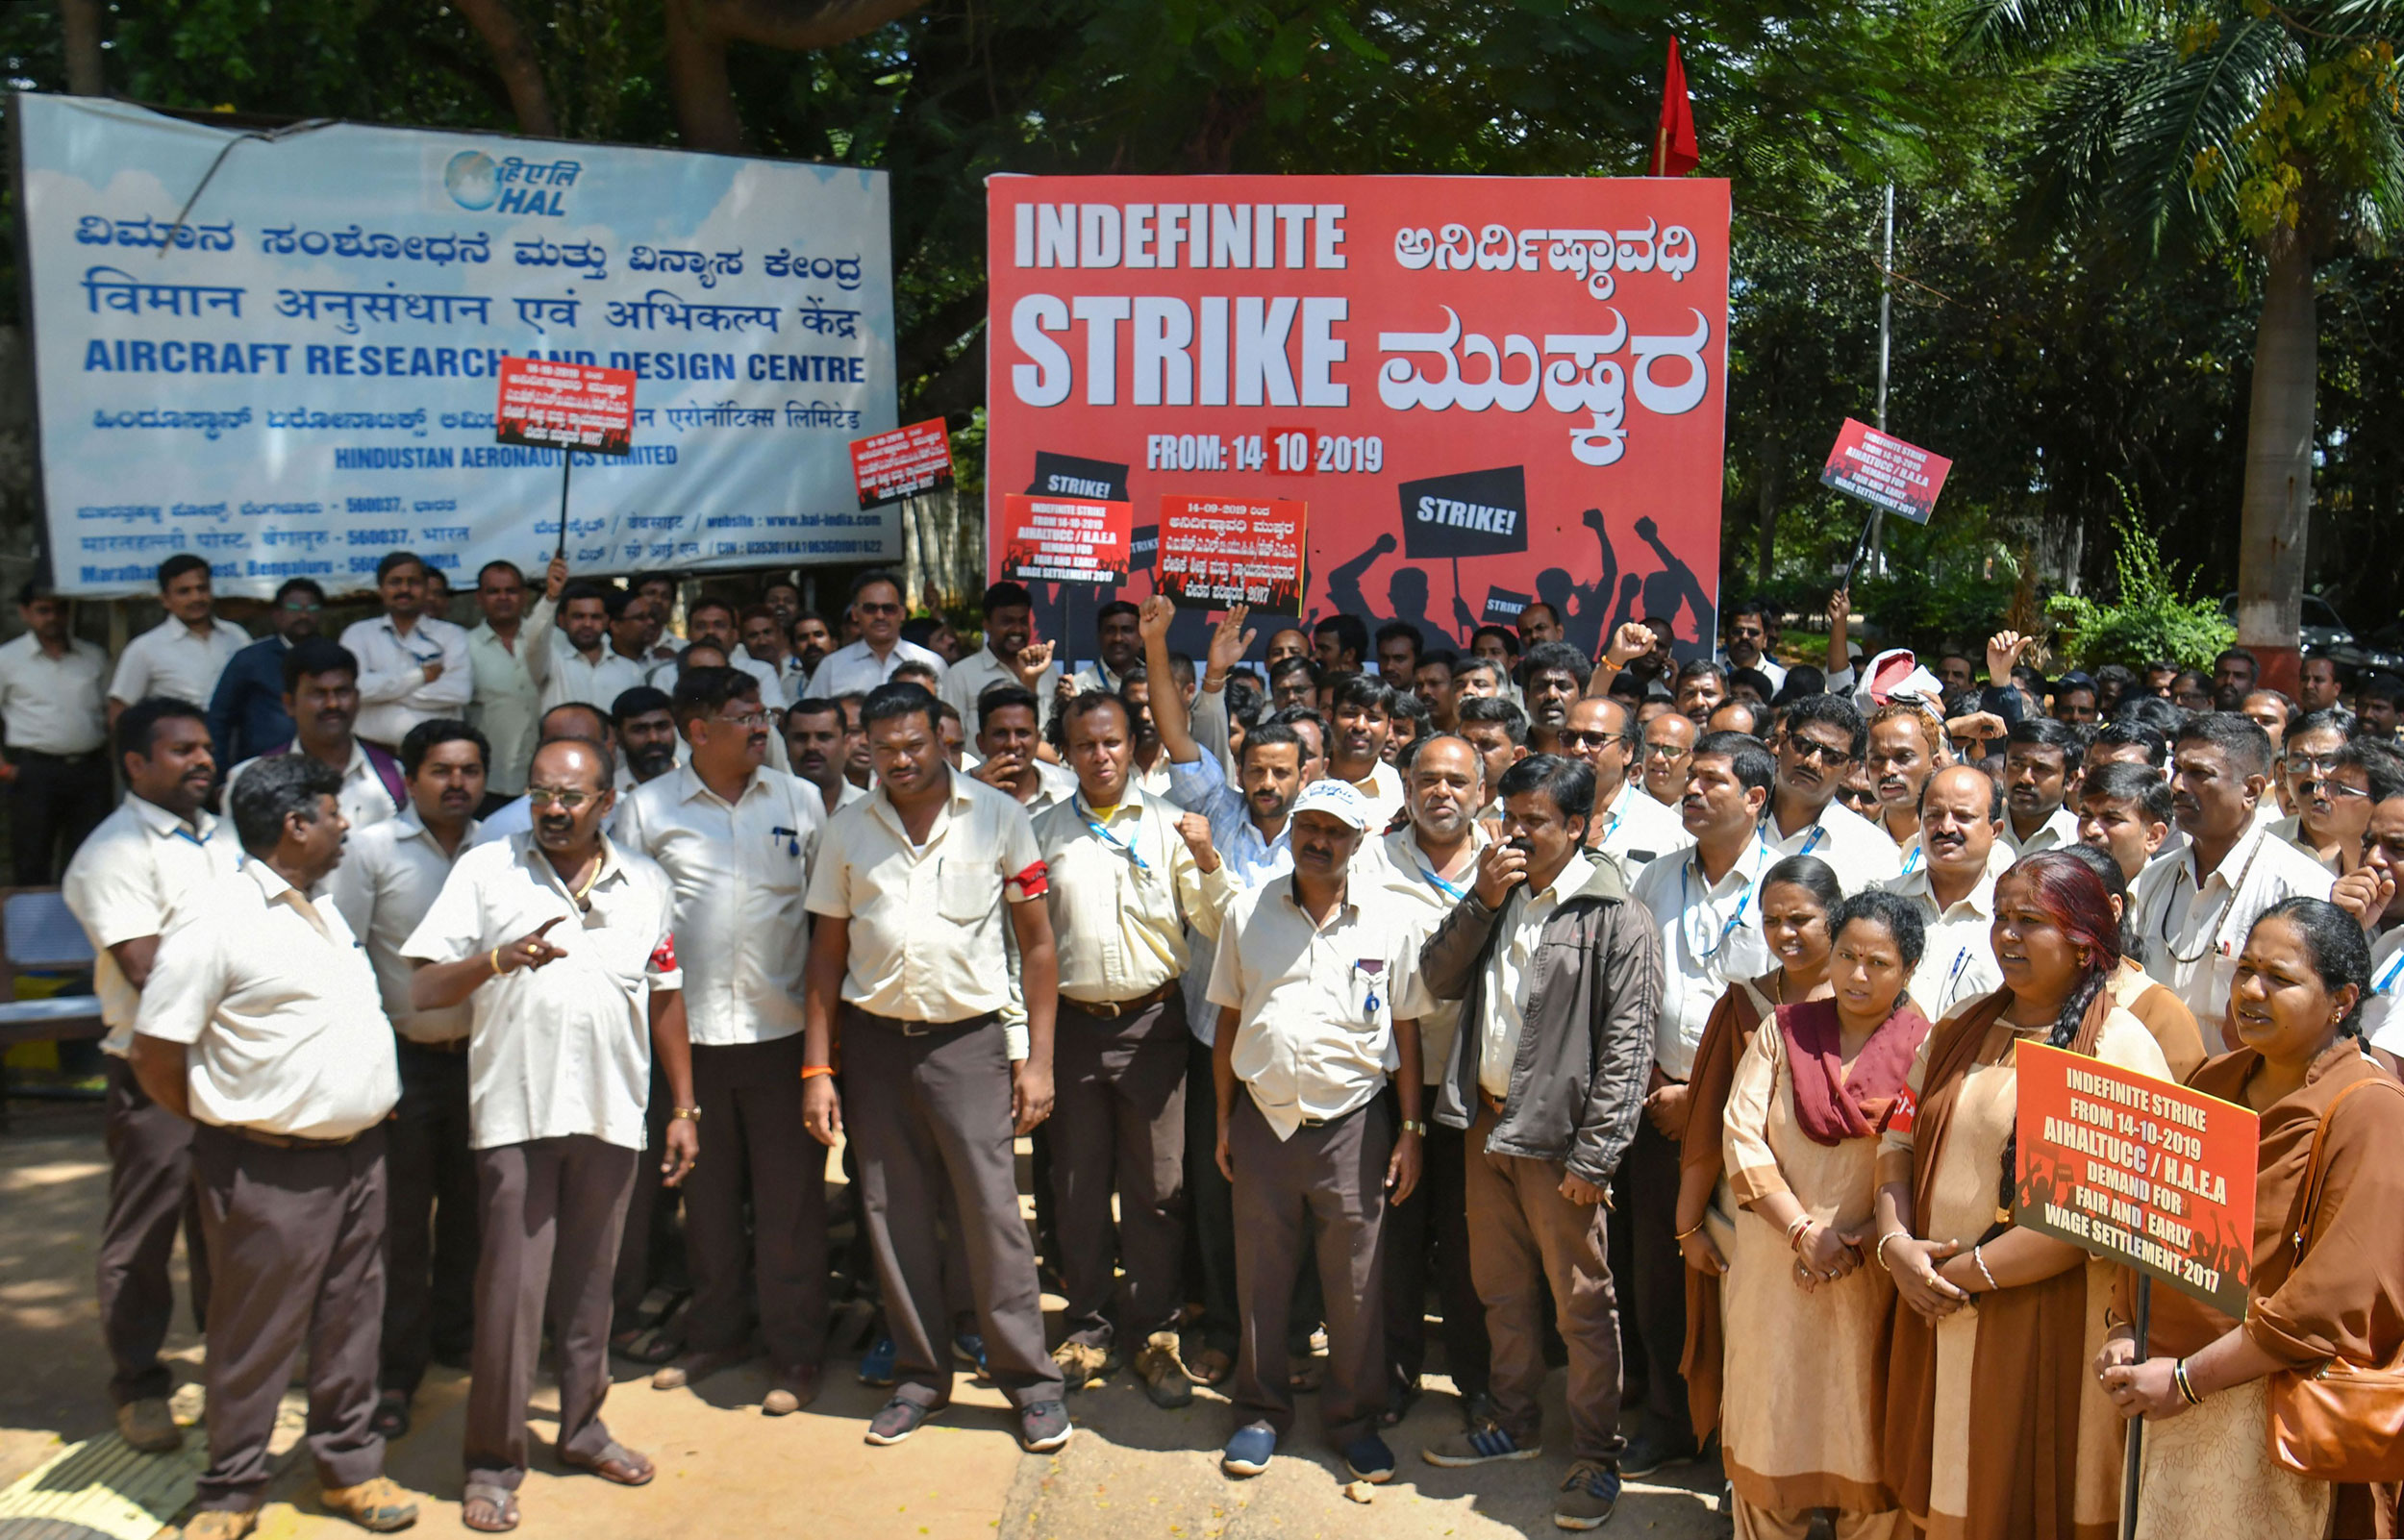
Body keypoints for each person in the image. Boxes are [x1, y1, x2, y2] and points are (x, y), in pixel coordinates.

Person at [402, 736, 697, 1533]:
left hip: (611, 1115)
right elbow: (425, 985)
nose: (554, 809)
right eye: (540, 793)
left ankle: (582, 1428)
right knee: (509, 1298)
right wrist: (496, 959)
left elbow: (666, 996)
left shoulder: (647, 883)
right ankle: (493, 1463)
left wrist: (682, 1108)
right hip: (516, 1117)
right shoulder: (486, 871)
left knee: (592, 1292)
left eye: (572, 797)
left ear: (607, 803)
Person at [131, 754, 417, 1540]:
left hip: (359, 1158)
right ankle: (232, 1488)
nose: (346, 826)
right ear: (295, 825)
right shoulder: (217, 916)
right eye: (334, 813)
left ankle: (349, 1468)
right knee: (256, 1333)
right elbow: (156, 1052)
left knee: (352, 1321)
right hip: (269, 1168)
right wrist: (230, 1123)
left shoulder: (319, 908)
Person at [798, 682, 1070, 1452]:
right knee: (891, 1215)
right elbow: (825, 958)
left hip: (969, 1046)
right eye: (884, 750)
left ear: (944, 740)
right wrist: (818, 1071)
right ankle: (921, 1377)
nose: (901, 761)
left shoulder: (999, 819)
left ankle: (1031, 1385)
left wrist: (1037, 1060)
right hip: (877, 1046)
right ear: (866, 750)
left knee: (991, 1219)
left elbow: (1039, 946)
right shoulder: (848, 831)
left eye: (915, 745)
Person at [1876, 852, 2174, 1540]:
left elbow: (2102, 1213)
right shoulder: (1959, 1026)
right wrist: (1896, 1245)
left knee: (2026, 1495)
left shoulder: (2119, 1047)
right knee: (1946, 1490)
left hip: (2049, 1318)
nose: (2006, 935)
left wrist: (1965, 1275)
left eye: (2030, 921)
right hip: (1937, 1304)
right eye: (2001, 917)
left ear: (2084, 942)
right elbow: (1896, 1142)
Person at [2097, 899, 2404, 1539]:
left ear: (2343, 1001)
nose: (2251, 992)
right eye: (2245, 971)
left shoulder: (2369, 1110)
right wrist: (2128, 1324)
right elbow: (2153, 1226)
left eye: (2281, 979)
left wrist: (2188, 1379)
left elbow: (2330, 1303)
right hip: (2165, 1399)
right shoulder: (2214, 1081)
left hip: (2272, 1414)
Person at [1415, 756, 1661, 1530]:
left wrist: (1596, 1158)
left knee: (1583, 1305)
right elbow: (1437, 975)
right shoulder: (1499, 893)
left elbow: (1627, 1048)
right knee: (1502, 1290)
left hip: (1560, 1146)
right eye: (1510, 816)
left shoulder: (1615, 915)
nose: (1514, 834)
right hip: (1487, 1126)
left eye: (1536, 822)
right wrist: (1480, 902)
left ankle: (1596, 1455)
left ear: (1579, 826)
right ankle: (1513, 1423)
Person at [616, 667, 830, 1415]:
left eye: (762, 713)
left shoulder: (801, 801)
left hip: (783, 1039)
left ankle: (796, 1351)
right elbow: (629, 930)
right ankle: (717, 1333)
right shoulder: (646, 812)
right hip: (690, 1045)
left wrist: (821, 1057)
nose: (761, 727)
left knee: (791, 1207)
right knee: (704, 1201)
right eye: (745, 717)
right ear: (697, 731)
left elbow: (824, 920)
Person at [1205, 778, 1428, 1486]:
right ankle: (1259, 1412)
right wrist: (1222, 1119)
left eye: (1336, 830)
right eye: (1310, 826)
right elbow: (1228, 1021)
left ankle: (1353, 1421)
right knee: (1260, 1280)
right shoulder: (1248, 910)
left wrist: (1412, 1129)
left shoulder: (1389, 921)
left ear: (1360, 842)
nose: (1319, 841)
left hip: (1353, 1126)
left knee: (1355, 1285)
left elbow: (1408, 1031)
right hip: (1263, 1121)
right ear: (1293, 829)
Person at [1033, 687, 1230, 1403]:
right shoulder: (1042, 831)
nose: (1100, 755)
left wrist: (1208, 862)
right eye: (1084, 744)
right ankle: (1086, 1329)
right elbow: (1024, 942)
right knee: (1079, 1187)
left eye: (1112, 741)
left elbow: (1213, 923)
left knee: (1157, 1189)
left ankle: (1155, 1331)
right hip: (1075, 1028)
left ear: (1132, 743)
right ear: (1067, 750)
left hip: (1153, 1026)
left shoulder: (1173, 825)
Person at [61, 697, 242, 1453]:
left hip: (229, 1063)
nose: (203, 760)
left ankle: (233, 1367)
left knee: (227, 1226)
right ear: (136, 764)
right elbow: (146, 971)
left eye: (206, 748)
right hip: (155, 1067)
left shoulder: (226, 835)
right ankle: (138, 1385)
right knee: (144, 1232)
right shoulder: (112, 853)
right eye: (182, 751)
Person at [1720, 891, 1930, 1539]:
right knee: (1770, 1433)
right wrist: (1803, 1232)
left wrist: (1865, 1239)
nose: (1858, 976)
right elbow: (1740, 1135)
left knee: (1865, 1440)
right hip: (1774, 1271)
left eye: (1879, 962)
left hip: (1871, 1277)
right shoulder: (1784, 1033)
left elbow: (1927, 1160)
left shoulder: (1928, 1048)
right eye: (1846, 956)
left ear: (1909, 971)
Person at [326, 718, 487, 1443]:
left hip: (485, 1062)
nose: (458, 784)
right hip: (404, 1063)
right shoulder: (369, 851)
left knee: (469, 1213)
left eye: (470, 771)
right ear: (411, 779)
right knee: (398, 1228)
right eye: (442, 771)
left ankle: (457, 1337)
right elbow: (342, 957)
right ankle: (395, 1374)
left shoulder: (502, 850)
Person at [1622, 731, 1779, 1475]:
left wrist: (1708, 1100)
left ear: (1755, 798)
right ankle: (1665, 1416)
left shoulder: (1789, 883)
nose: (1692, 791)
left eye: (1713, 781)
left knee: (1742, 1279)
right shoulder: (1655, 879)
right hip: (1659, 1110)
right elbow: (1637, 993)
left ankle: (1735, 1436)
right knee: (1656, 1272)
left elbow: (1793, 1015)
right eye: (1691, 779)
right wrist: (1662, 1090)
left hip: (1752, 1123)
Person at [1670, 856, 1841, 1453]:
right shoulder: (1744, 1002)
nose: (1785, 934)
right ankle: (1747, 1484)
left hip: (1838, 1223)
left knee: (1827, 1363)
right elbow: (1706, 1128)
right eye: (1771, 921)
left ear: (1835, 917)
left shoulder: (1870, 1003)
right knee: (1750, 1351)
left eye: (1801, 919)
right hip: (1744, 1221)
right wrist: (1689, 1225)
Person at [1363, 735, 1494, 1429]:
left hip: (1477, 1088)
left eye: (1456, 781)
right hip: (1392, 1083)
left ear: (1481, 792)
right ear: (1407, 790)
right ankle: (1393, 1373)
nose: (1441, 792)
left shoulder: (1507, 862)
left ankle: (1476, 1381)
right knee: (1396, 1238)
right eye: (1427, 781)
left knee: (1472, 1242)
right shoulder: (1371, 860)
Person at [2133, 714, 2335, 1046]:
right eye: (2178, 770)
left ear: (2252, 790)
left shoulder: (2300, 889)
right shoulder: (2152, 879)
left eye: (2200, 774)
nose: (2178, 786)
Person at [221, 638, 404, 841]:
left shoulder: (394, 776)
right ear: (289, 704)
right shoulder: (250, 781)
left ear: (357, 698)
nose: (332, 704)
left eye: (342, 692)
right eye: (318, 693)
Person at [1875, 764, 2010, 1023]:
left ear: (1995, 830)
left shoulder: (2009, 920)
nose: (1946, 827)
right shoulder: (1883, 902)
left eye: (1963, 816)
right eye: (1934, 815)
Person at [0, 579, 112, 882]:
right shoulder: (7, 660)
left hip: (89, 772)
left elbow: (110, 712)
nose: (52, 618)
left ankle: (76, 929)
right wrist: (5, 769)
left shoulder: (92, 656)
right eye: (43, 610)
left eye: (60, 610)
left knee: (88, 859)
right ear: (25, 613)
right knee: (32, 858)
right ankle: (31, 928)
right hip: (34, 773)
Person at [1761, 695, 1901, 893]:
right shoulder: (1734, 816)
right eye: (1803, 745)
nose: (1812, 761)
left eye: (1832, 757)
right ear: (1782, 743)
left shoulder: (1872, 850)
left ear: (1850, 769)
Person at [342, 552, 472, 750]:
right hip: (373, 753)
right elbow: (355, 689)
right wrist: (419, 677)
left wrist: (383, 692)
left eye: (413, 582)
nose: (404, 589)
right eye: (395, 582)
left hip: (436, 751)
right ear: (381, 589)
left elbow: (458, 692)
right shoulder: (358, 634)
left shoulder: (452, 635)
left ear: (426, 589)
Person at [465, 559, 564, 808]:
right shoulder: (463, 647)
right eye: (493, 591)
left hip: (550, 778)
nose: (503, 598)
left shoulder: (555, 641)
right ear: (479, 598)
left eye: (511, 591)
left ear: (523, 596)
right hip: (491, 780)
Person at [109, 556, 249, 725]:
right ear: (165, 600)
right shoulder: (145, 648)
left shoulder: (236, 636)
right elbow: (120, 710)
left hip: (237, 741)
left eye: (202, 588)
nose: (196, 598)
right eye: (184, 591)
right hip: (179, 745)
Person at [1560, 695, 1691, 875]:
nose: (1578, 748)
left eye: (1594, 738)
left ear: (1627, 751)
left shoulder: (1668, 831)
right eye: (1569, 737)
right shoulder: (1541, 815)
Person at [205, 577, 323, 767]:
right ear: (277, 615)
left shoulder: (332, 658)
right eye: (294, 609)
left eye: (311, 609)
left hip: (321, 765)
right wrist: (219, 777)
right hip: (260, 768)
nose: (303, 615)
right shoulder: (250, 659)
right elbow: (220, 720)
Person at [803, 572, 948, 698]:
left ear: (902, 613)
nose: (880, 616)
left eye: (888, 608)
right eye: (870, 608)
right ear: (855, 614)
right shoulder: (831, 667)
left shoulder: (932, 663)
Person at [943, 581, 1060, 736]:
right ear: (987, 624)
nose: (1017, 629)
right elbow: (949, 738)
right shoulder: (960, 675)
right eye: (1007, 621)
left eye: (1023, 621)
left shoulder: (1046, 670)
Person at [538, 581, 647, 715]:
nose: (587, 624)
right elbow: (535, 638)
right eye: (578, 617)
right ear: (561, 621)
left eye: (595, 617)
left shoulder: (631, 671)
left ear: (606, 621)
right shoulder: (549, 663)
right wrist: (550, 597)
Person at [1862, 703, 1945, 875]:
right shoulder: (1854, 845)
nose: (1888, 770)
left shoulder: (1960, 847)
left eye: (1903, 757)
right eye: (1877, 759)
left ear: (1935, 765)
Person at [2076, 759, 2173, 883]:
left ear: (2153, 837)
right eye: (2085, 816)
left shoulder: (2164, 898)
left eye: (2112, 819)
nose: (2090, 830)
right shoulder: (2057, 890)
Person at [1325, 673, 1404, 823]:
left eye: (1373, 718)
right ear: (1330, 718)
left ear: (1389, 727)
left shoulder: (1399, 788)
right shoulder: (1308, 778)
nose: (1360, 726)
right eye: (1350, 714)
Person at [1999, 720, 2083, 855]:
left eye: (2042, 769)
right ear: (2004, 768)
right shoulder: (1979, 828)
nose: (2026, 778)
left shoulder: (2079, 840)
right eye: (2017, 765)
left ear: (2070, 780)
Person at [784, 696, 867, 817]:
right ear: (786, 744)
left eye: (824, 737)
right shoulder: (769, 806)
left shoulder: (869, 809)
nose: (812, 746)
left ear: (846, 743)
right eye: (801, 737)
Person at [1457, 696, 1530, 814]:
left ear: (1517, 756)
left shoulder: (1521, 816)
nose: (1473, 751)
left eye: (1486, 744)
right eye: (1465, 742)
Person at [610, 686, 680, 788]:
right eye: (640, 730)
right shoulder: (609, 790)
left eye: (662, 727)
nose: (653, 738)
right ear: (619, 737)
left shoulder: (697, 780)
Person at [1717, 601, 1788, 694]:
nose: (1745, 637)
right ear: (1726, 635)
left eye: (1753, 632)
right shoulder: (1710, 665)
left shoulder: (1780, 680)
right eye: (1738, 631)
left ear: (1765, 639)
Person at [1521, 641, 1590, 735]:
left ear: (1582, 699)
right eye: (1541, 686)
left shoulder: (1597, 749)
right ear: (1526, 699)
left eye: (1563, 687)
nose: (1552, 695)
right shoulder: (1510, 750)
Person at [1641, 709, 1698, 808]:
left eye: (1671, 750)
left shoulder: (1703, 808)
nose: (1658, 758)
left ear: (1693, 758)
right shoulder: (1619, 802)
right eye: (1651, 747)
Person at [1310, 612, 1369, 676]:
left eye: (1324, 649)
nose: (1316, 656)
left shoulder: (1376, 683)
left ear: (1349, 654)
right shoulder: (1309, 682)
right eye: (1316, 648)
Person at [1373, 621, 1422, 689]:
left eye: (1399, 659)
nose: (1389, 667)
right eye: (1384, 658)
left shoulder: (1427, 698)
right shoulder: (1367, 698)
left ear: (1417, 661)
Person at [2211, 647, 2259, 711]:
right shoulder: (2197, 720)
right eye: (2222, 674)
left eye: (2239, 676)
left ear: (2253, 685)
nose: (2228, 681)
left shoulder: (2258, 720)